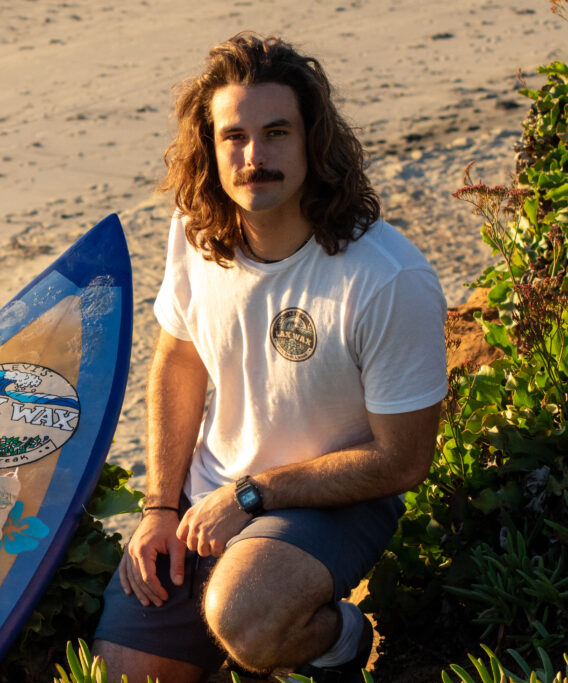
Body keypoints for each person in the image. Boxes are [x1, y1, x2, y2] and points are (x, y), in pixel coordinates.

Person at [92, 32, 448, 682]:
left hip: (333, 497)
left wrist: (254, 494)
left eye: (277, 132)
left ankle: (342, 640)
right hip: (207, 499)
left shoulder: (387, 277)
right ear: (210, 146)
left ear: (313, 138)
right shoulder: (197, 229)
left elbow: (404, 458)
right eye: (234, 136)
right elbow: (178, 360)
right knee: (123, 672)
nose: (254, 156)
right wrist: (160, 509)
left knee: (247, 616)